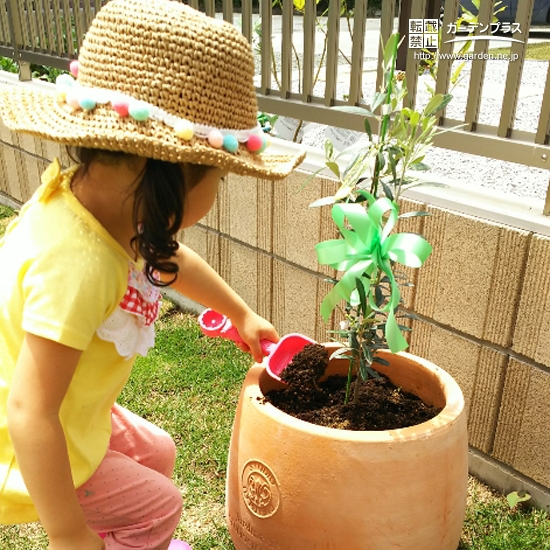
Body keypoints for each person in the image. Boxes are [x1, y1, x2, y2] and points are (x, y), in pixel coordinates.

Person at [0, 0, 305, 549]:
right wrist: (69, 534)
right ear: (167, 175)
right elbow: (29, 412)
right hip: (29, 438)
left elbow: (170, 262)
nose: (216, 192)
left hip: (70, 409)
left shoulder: (104, 209)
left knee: (157, 450)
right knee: (159, 507)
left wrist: (240, 313)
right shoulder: (80, 263)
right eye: (217, 175)